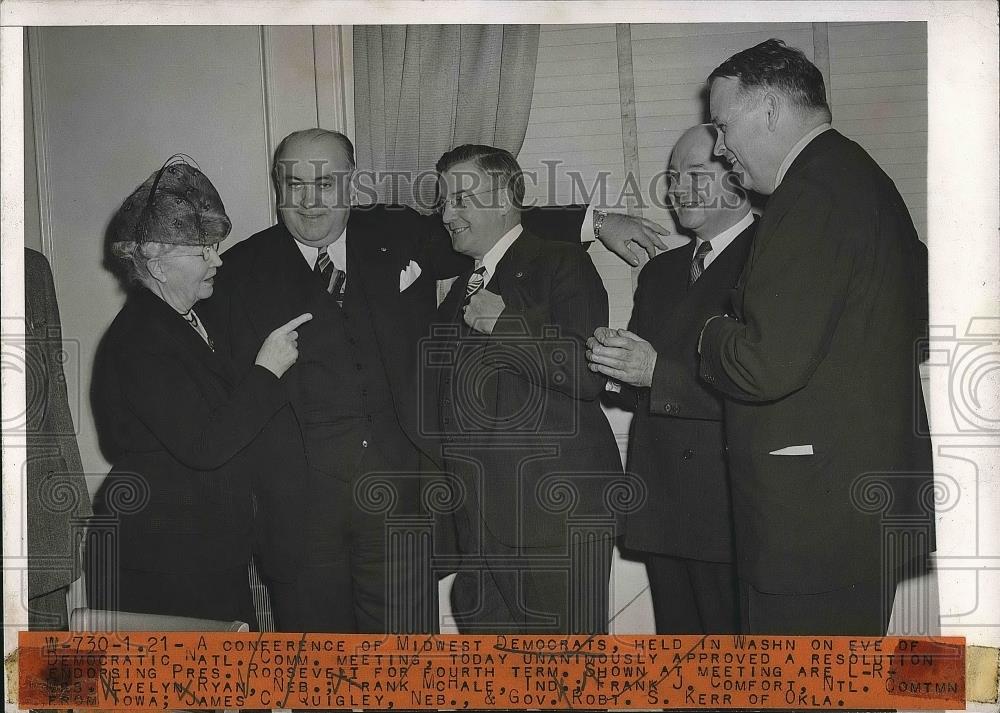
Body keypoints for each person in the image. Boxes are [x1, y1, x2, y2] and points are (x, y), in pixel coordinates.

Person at [209, 128, 665, 634]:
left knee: (412, 672)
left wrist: (596, 220)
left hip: (404, 509)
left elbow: (498, 218)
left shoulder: (398, 234)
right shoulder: (234, 274)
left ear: (353, 185)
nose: (310, 200)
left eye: (326, 183)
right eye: (294, 184)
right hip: (300, 514)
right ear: (277, 186)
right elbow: (224, 399)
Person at [694, 39, 933, 634]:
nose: (721, 151)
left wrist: (711, 334)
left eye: (723, 127)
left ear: (771, 109)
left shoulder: (810, 195)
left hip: (812, 526)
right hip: (850, 512)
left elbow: (764, 364)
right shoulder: (855, 176)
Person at [87, 157, 308, 626]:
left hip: (196, 547)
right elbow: (207, 446)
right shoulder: (142, 337)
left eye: (216, 248)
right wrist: (266, 370)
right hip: (162, 555)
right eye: (202, 251)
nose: (218, 260)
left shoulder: (183, 319)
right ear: (155, 260)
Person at [428, 144, 623, 634]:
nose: (446, 214)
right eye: (443, 201)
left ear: (504, 199)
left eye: (460, 199)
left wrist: (505, 324)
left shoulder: (561, 263)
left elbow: (587, 372)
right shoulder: (460, 288)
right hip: (482, 525)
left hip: (551, 522)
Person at [586, 124, 755, 634]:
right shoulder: (661, 271)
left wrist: (655, 373)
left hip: (731, 509)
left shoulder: (773, 254)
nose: (678, 188)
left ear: (739, 173)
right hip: (663, 505)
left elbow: (763, 381)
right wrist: (614, 368)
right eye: (673, 176)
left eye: (696, 173)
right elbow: (648, 382)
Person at [24, 248, 94, 631]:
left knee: (40, 679)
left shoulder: (31, 269)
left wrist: (76, 499)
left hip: (39, 521)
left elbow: (55, 391)